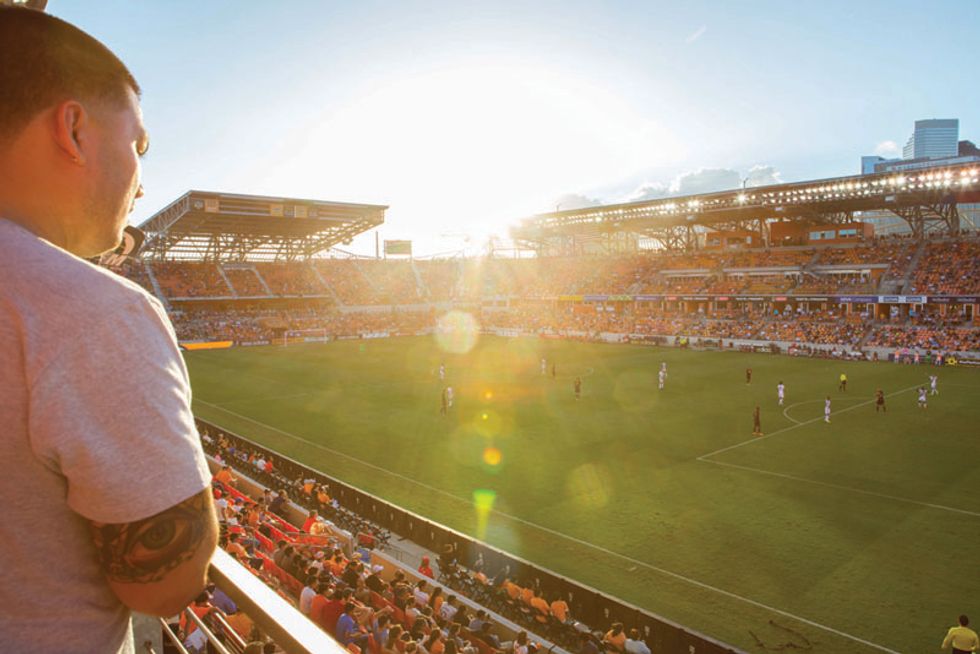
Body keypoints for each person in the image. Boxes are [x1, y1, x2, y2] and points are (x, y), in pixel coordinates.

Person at [0, 8, 218, 653]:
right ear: (73, 129)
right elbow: (165, 586)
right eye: (137, 145)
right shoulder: (92, 311)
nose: (142, 182)